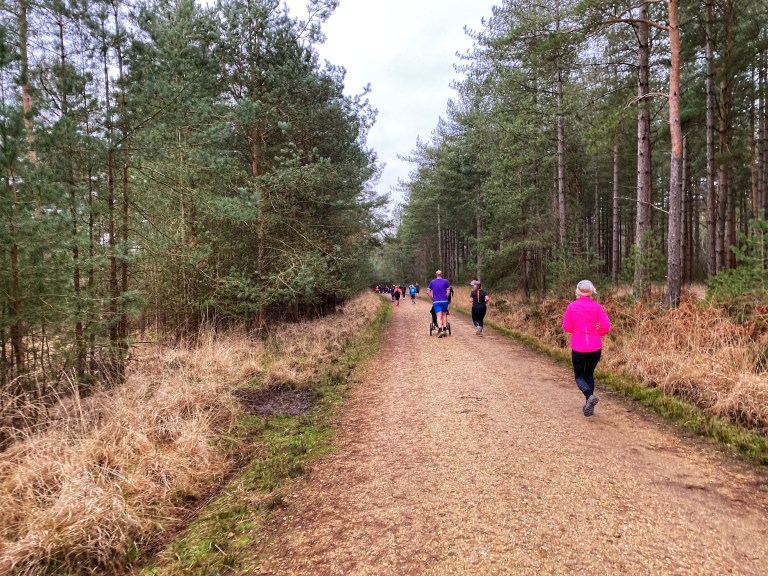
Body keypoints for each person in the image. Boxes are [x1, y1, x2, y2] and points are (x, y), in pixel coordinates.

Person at [562, 279, 611, 417]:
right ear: (591, 292)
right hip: (595, 346)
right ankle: (589, 404)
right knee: (589, 374)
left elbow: (566, 326)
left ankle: (589, 397)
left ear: (577, 291)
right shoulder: (597, 307)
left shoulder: (572, 306)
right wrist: (598, 333)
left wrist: (576, 331)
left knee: (579, 376)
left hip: (579, 345)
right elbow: (605, 326)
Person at [427, 270, 451, 337]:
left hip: (436, 301)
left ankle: (440, 329)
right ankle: (444, 329)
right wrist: (445, 297)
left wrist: (432, 298)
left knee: (438, 316)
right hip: (444, 301)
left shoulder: (432, 282)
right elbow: (448, 292)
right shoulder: (446, 281)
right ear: (441, 274)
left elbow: (428, 292)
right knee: (444, 315)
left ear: (436, 274)